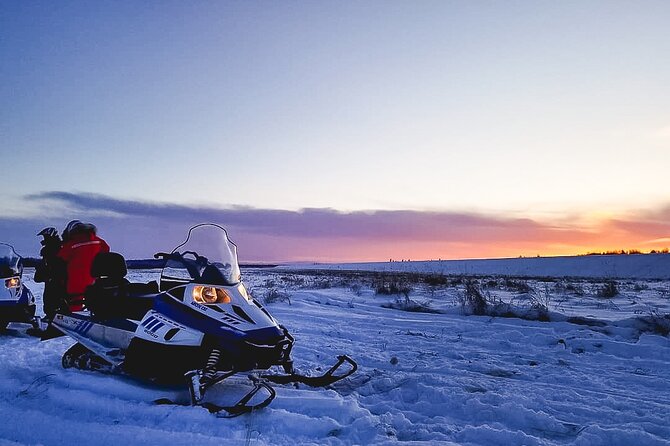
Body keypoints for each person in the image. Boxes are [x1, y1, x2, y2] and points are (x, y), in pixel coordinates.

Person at [57, 220, 110, 312]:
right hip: (94, 279)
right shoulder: (97, 240)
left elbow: (61, 257)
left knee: (75, 305)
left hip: (76, 280)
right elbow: (106, 249)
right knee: (94, 303)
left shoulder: (71, 244)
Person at [34, 227, 67, 321]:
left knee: (54, 297)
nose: (44, 239)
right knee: (48, 297)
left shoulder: (57, 247)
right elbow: (46, 262)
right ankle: (50, 315)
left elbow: (59, 263)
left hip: (57, 276)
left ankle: (55, 316)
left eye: (46, 236)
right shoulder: (49, 247)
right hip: (51, 276)